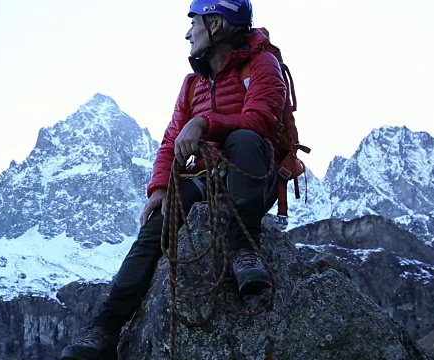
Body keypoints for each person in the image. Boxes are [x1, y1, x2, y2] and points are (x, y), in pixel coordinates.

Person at [61, 0, 286, 359]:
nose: (187, 33)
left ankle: (244, 249)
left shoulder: (262, 64)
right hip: (207, 178)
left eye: (194, 22)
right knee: (155, 228)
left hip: (252, 173)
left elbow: (261, 120)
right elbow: (171, 140)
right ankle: (105, 328)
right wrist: (161, 187)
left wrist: (205, 123)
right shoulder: (192, 84)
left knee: (244, 139)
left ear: (215, 25)